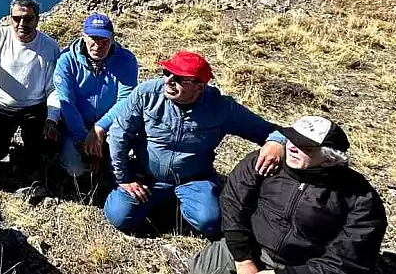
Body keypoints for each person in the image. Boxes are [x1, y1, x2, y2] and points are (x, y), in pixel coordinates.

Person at [105, 51, 286, 238]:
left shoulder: (221, 108)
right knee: (118, 215)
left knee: (210, 221)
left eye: (179, 79)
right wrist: (124, 178)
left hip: (194, 178)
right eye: (167, 73)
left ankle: (187, 200)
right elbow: (119, 133)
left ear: (200, 86)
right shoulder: (147, 94)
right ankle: (165, 201)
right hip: (147, 176)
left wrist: (276, 142)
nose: (168, 81)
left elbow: (273, 131)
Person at [190, 117, 387, 274]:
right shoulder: (262, 163)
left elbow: (347, 261)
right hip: (249, 247)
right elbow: (233, 206)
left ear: (329, 159)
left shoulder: (360, 198)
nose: (292, 147)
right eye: (291, 139)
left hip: (304, 267)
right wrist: (243, 259)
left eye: (305, 147)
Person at [45, 13, 139, 176]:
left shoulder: (126, 60)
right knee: (76, 170)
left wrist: (100, 129)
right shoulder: (67, 60)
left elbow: (125, 101)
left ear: (112, 39)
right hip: (75, 124)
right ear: (84, 37)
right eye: (93, 38)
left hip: (111, 125)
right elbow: (66, 102)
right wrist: (84, 140)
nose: (98, 45)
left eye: (104, 40)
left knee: (117, 165)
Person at [0, 0, 63, 175]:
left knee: (44, 148)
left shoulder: (49, 47)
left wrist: (52, 119)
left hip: (35, 106)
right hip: (0, 105)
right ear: (10, 18)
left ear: (37, 20)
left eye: (28, 19)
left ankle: (29, 169)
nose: (22, 23)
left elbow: (54, 88)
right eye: (16, 18)